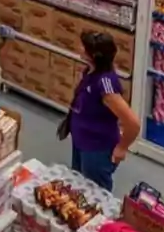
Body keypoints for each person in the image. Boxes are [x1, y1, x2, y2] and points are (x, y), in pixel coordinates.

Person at [58, 31, 140, 191]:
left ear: (94, 55)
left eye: (84, 47)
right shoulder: (90, 71)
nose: (79, 48)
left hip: (97, 149)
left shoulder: (105, 85)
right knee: (79, 185)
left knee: (95, 194)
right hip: (82, 141)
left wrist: (122, 148)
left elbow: (133, 123)